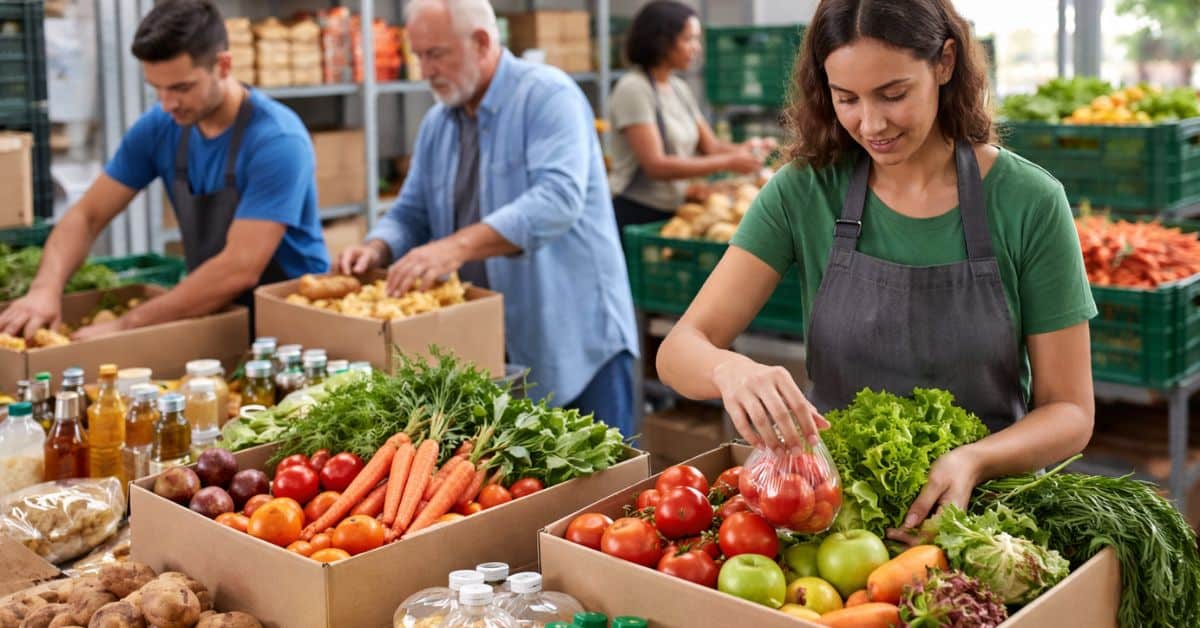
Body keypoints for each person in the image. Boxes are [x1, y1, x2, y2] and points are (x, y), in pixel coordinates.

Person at [657, 0, 1096, 542]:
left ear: (945, 63)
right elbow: (679, 350)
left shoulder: (1029, 201)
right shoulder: (805, 190)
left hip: (985, 523)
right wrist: (730, 371)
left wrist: (974, 460)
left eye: (893, 94)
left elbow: (1070, 410)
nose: (872, 123)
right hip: (831, 517)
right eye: (847, 99)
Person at [336, 0, 640, 436]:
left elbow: (557, 199)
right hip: (486, 351)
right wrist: (376, 246)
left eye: (436, 54)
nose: (425, 70)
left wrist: (454, 247)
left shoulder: (547, 97)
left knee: (602, 490)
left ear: (481, 42)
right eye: (418, 55)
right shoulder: (438, 124)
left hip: (574, 346)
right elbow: (411, 210)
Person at [0, 0, 329, 341]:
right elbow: (88, 215)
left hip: (294, 324)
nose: (168, 103)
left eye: (181, 88)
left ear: (224, 65)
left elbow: (239, 267)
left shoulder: (277, 139)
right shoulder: (161, 126)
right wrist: (44, 289)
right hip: (214, 314)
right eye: (156, 88)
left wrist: (126, 326)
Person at [608, 0, 774, 233]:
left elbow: (711, 147)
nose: (696, 48)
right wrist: (730, 162)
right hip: (635, 212)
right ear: (661, 42)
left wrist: (747, 150)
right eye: (688, 39)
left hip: (673, 209)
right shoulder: (634, 88)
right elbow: (656, 166)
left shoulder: (677, 87)